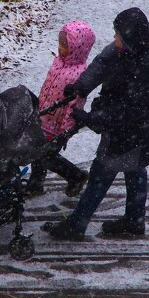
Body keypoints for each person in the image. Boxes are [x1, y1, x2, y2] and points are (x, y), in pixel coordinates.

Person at [43, 7, 149, 241]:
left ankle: (77, 224)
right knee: (135, 169)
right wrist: (81, 85)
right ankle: (134, 220)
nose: (114, 39)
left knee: (102, 172)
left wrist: (91, 119)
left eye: (118, 36)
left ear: (130, 38)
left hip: (131, 132)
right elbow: (102, 63)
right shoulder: (129, 47)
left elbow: (128, 112)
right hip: (132, 131)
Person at [26, 20, 96, 197]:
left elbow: (75, 105)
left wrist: (66, 131)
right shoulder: (58, 61)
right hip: (44, 115)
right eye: (59, 43)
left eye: (65, 45)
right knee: (38, 150)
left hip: (59, 125)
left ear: (78, 48)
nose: (59, 48)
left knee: (46, 155)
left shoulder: (80, 76)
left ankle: (75, 176)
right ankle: (36, 184)